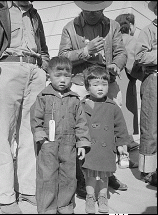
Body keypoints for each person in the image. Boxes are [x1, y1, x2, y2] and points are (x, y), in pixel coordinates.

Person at [0, 1, 50, 213]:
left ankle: (28, 189)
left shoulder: (34, 13)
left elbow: (44, 48)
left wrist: (44, 69)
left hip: (35, 72)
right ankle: (5, 197)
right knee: (2, 134)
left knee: (31, 132)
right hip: (7, 68)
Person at [58, 1, 128, 197]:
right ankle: (81, 177)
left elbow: (121, 52)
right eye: (87, 10)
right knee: (82, 130)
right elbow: (62, 56)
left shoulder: (112, 26)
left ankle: (108, 173)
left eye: (95, 10)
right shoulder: (70, 28)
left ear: (103, 8)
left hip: (106, 83)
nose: (91, 14)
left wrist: (116, 64)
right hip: (81, 84)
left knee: (111, 129)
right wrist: (86, 51)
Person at [30, 56, 91, 214]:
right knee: (47, 178)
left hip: (69, 145)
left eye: (67, 75)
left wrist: (82, 143)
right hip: (48, 145)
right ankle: (47, 208)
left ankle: (65, 206)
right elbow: (35, 119)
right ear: (49, 75)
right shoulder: (43, 97)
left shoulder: (75, 99)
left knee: (68, 177)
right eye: (58, 76)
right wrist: (41, 139)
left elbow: (81, 123)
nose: (63, 80)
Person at [81, 65, 130, 213]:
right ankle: (90, 196)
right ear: (87, 87)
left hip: (106, 148)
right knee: (89, 175)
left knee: (103, 175)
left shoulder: (112, 106)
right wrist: (80, 144)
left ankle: (102, 196)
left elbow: (121, 128)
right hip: (90, 148)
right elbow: (78, 127)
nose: (100, 88)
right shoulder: (82, 105)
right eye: (95, 85)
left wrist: (122, 145)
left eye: (104, 84)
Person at [135, 1, 157, 187]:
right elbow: (140, 56)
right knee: (151, 125)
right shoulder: (149, 30)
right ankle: (148, 170)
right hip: (154, 79)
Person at [115, 13, 140, 168]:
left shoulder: (112, 40)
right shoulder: (130, 40)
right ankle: (123, 158)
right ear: (130, 26)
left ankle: (119, 151)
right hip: (125, 84)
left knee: (116, 119)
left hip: (113, 84)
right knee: (125, 119)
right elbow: (132, 65)